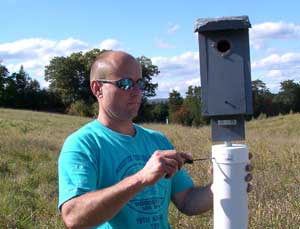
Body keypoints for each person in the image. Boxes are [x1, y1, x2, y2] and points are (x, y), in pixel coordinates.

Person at [58, 51, 252, 229]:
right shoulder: (82, 145)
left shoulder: (157, 141)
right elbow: (74, 217)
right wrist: (141, 178)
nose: (136, 92)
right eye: (125, 83)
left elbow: (187, 201)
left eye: (139, 83)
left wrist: (222, 185)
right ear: (97, 88)